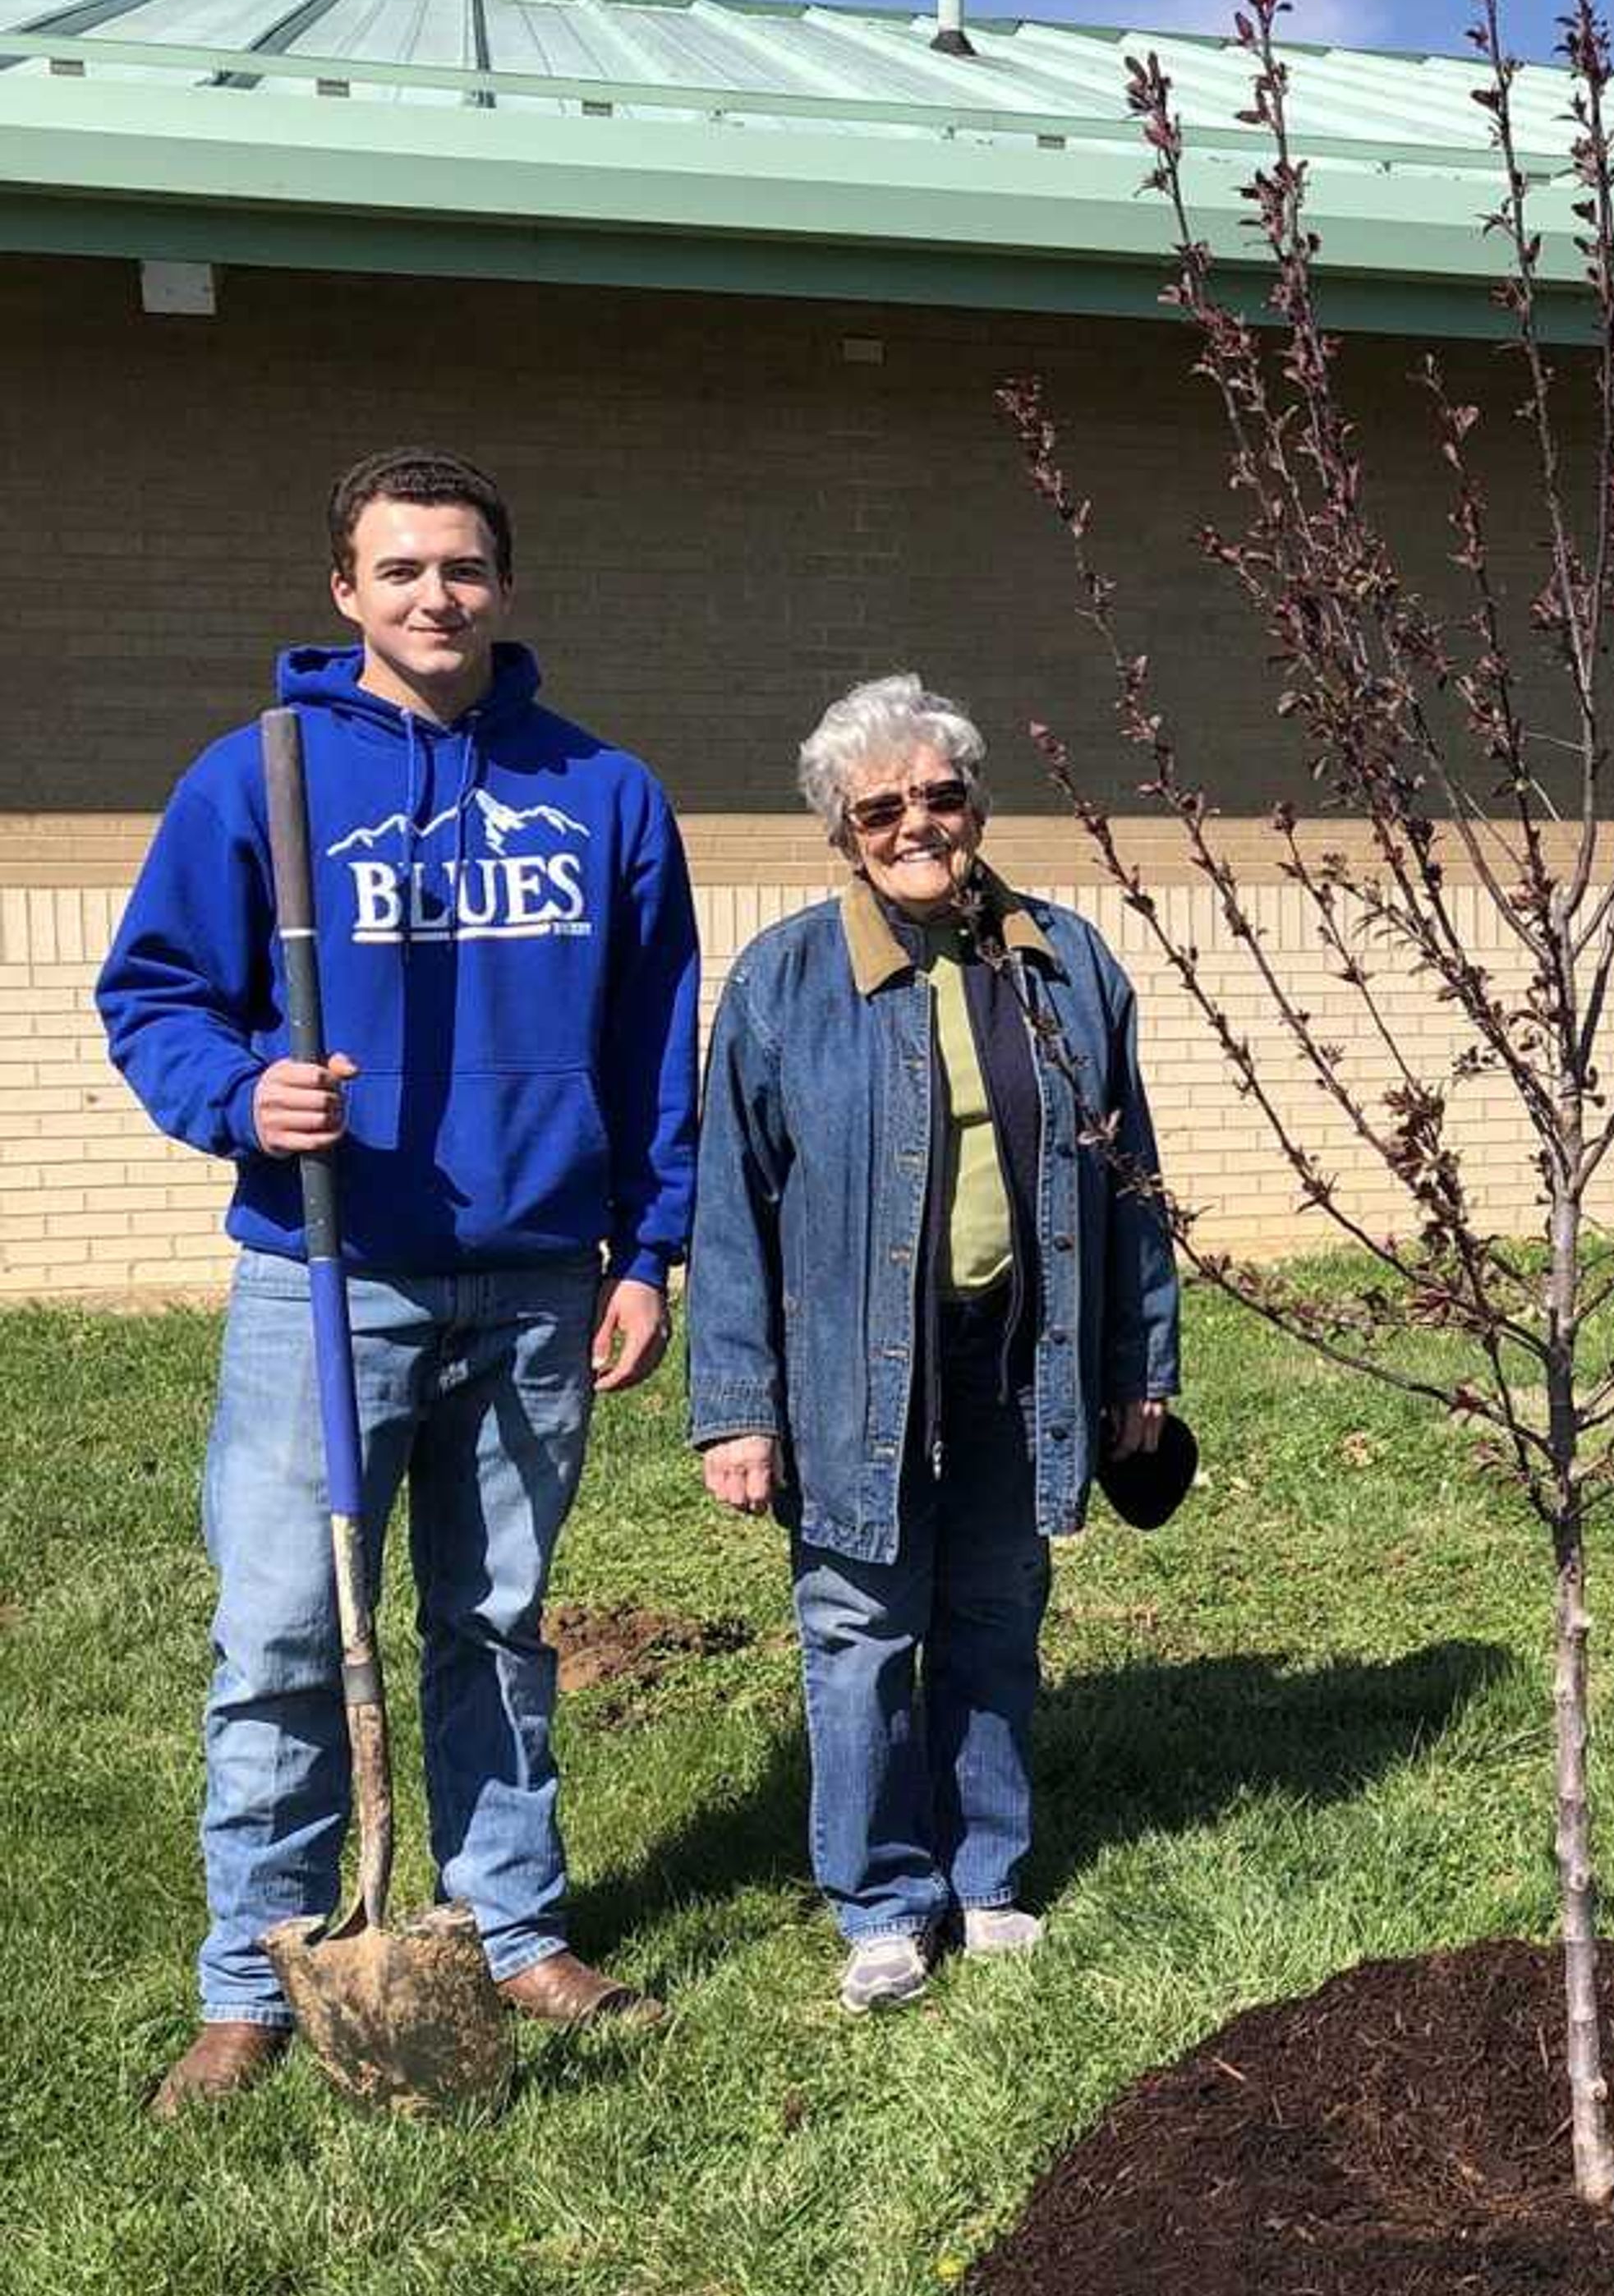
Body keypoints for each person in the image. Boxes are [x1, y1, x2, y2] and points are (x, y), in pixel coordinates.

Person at [99, 448, 699, 2113]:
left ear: (503, 586)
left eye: (464, 566)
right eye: (402, 569)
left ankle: (513, 1927)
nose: (436, 594)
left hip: (532, 1278)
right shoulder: (261, 779)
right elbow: (155, 995)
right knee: (289, 1631)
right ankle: (256, 1973)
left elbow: (655, 1040)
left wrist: (647, 1247)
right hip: (330, 1276)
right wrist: (243, 1097)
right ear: (347, 594)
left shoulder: (603, 792)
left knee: (496, 1622)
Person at [685, 676, 1181, 2014]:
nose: (918, 823)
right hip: (852, 1370)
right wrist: (737, 1402)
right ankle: (884, 1902)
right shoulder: (786, 980)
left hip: (1023, 1354)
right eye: (882, 806)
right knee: (856, 1629)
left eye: (940, 794)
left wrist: (1140, 1365)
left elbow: (1131, 1177)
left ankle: (991, 1876)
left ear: (976, 802)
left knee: (993, 1612)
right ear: (844, 832)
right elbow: (730, 1203)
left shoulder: (1069, 963)